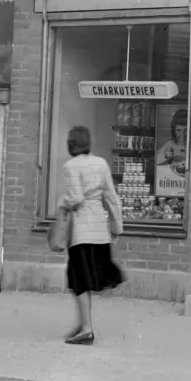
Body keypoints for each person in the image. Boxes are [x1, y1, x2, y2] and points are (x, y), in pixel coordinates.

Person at [57, 125, 125, 346]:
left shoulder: (70, 166)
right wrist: (116, 227)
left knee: (79, 281)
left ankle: (86, 328)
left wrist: (62, 203)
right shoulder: (101, 163)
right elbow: (111, 197)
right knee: (83, 280)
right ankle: (83, 323)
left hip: (81, 231)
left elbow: (75, 198)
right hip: (99, 230)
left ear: (71, 144)